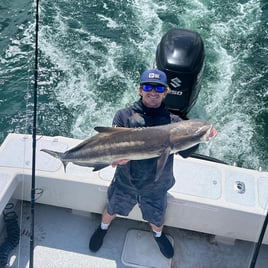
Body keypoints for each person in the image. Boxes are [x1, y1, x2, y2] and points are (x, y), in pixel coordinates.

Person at [89, 69, 192, 259]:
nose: (153, 91)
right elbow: (112, 145)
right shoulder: (124, 116)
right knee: (111, 210)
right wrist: (114, 159)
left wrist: (202, 136)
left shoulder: (175, 122)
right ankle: (103, 228)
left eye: (158, 88)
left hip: (156, 186)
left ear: (166, 91)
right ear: (140, 89)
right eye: (147, 86)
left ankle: (158, 235)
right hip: (125, 182)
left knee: (156, 219)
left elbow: (186, 151)